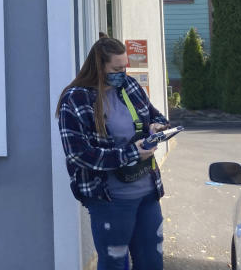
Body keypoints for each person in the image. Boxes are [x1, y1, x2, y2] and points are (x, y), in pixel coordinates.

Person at [56, 37, 169, 270]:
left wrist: (157, 127)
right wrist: (130, 154)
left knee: (152, 261)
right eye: (117, 69)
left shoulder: (130, 86)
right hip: (111, 200)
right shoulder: (76, 98)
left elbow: (156, 116)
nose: (123, 73)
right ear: (99, 67)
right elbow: (79, 155)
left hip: (147, 193)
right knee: (115, 263)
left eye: (125, 66)